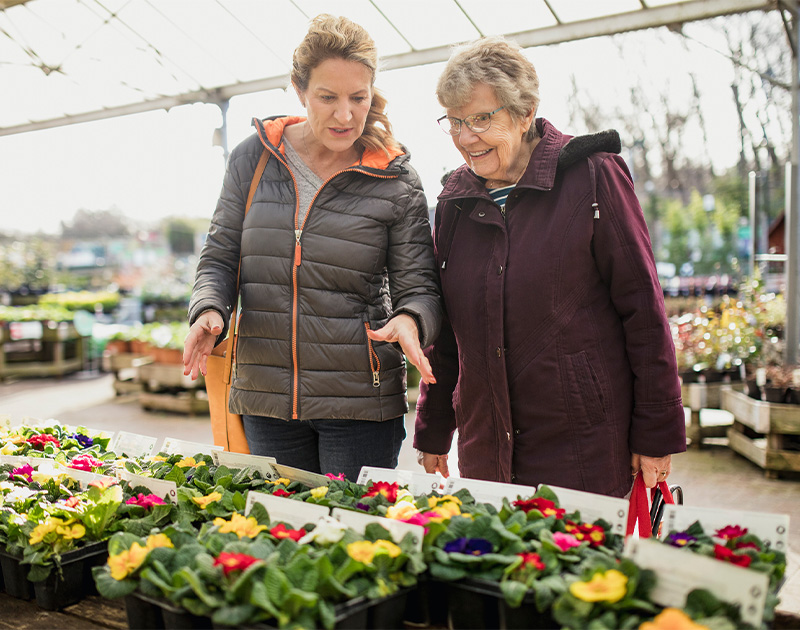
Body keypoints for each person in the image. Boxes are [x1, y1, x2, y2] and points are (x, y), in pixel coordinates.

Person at [414, 36, 685, 498]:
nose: (465, 137)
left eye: (481, 119)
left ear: (524, 113)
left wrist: (656, 434)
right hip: (485, 452)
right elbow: (449, 332)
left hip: (582, 448)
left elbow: (643, 308)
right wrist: (434, 425)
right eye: (455, 121)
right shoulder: (454, 202)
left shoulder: (593, 174)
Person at [184, 14, 441, 482]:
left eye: (357, 98)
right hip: (267, 397)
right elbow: (220, 255)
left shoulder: (395, 178)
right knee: (282, 535)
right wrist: (210, 309)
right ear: (300, 91)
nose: (345, 115)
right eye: (328, 97)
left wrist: (411, 319)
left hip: (359, 402)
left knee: (350, 540)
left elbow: (420, 287)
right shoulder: (253, 158)